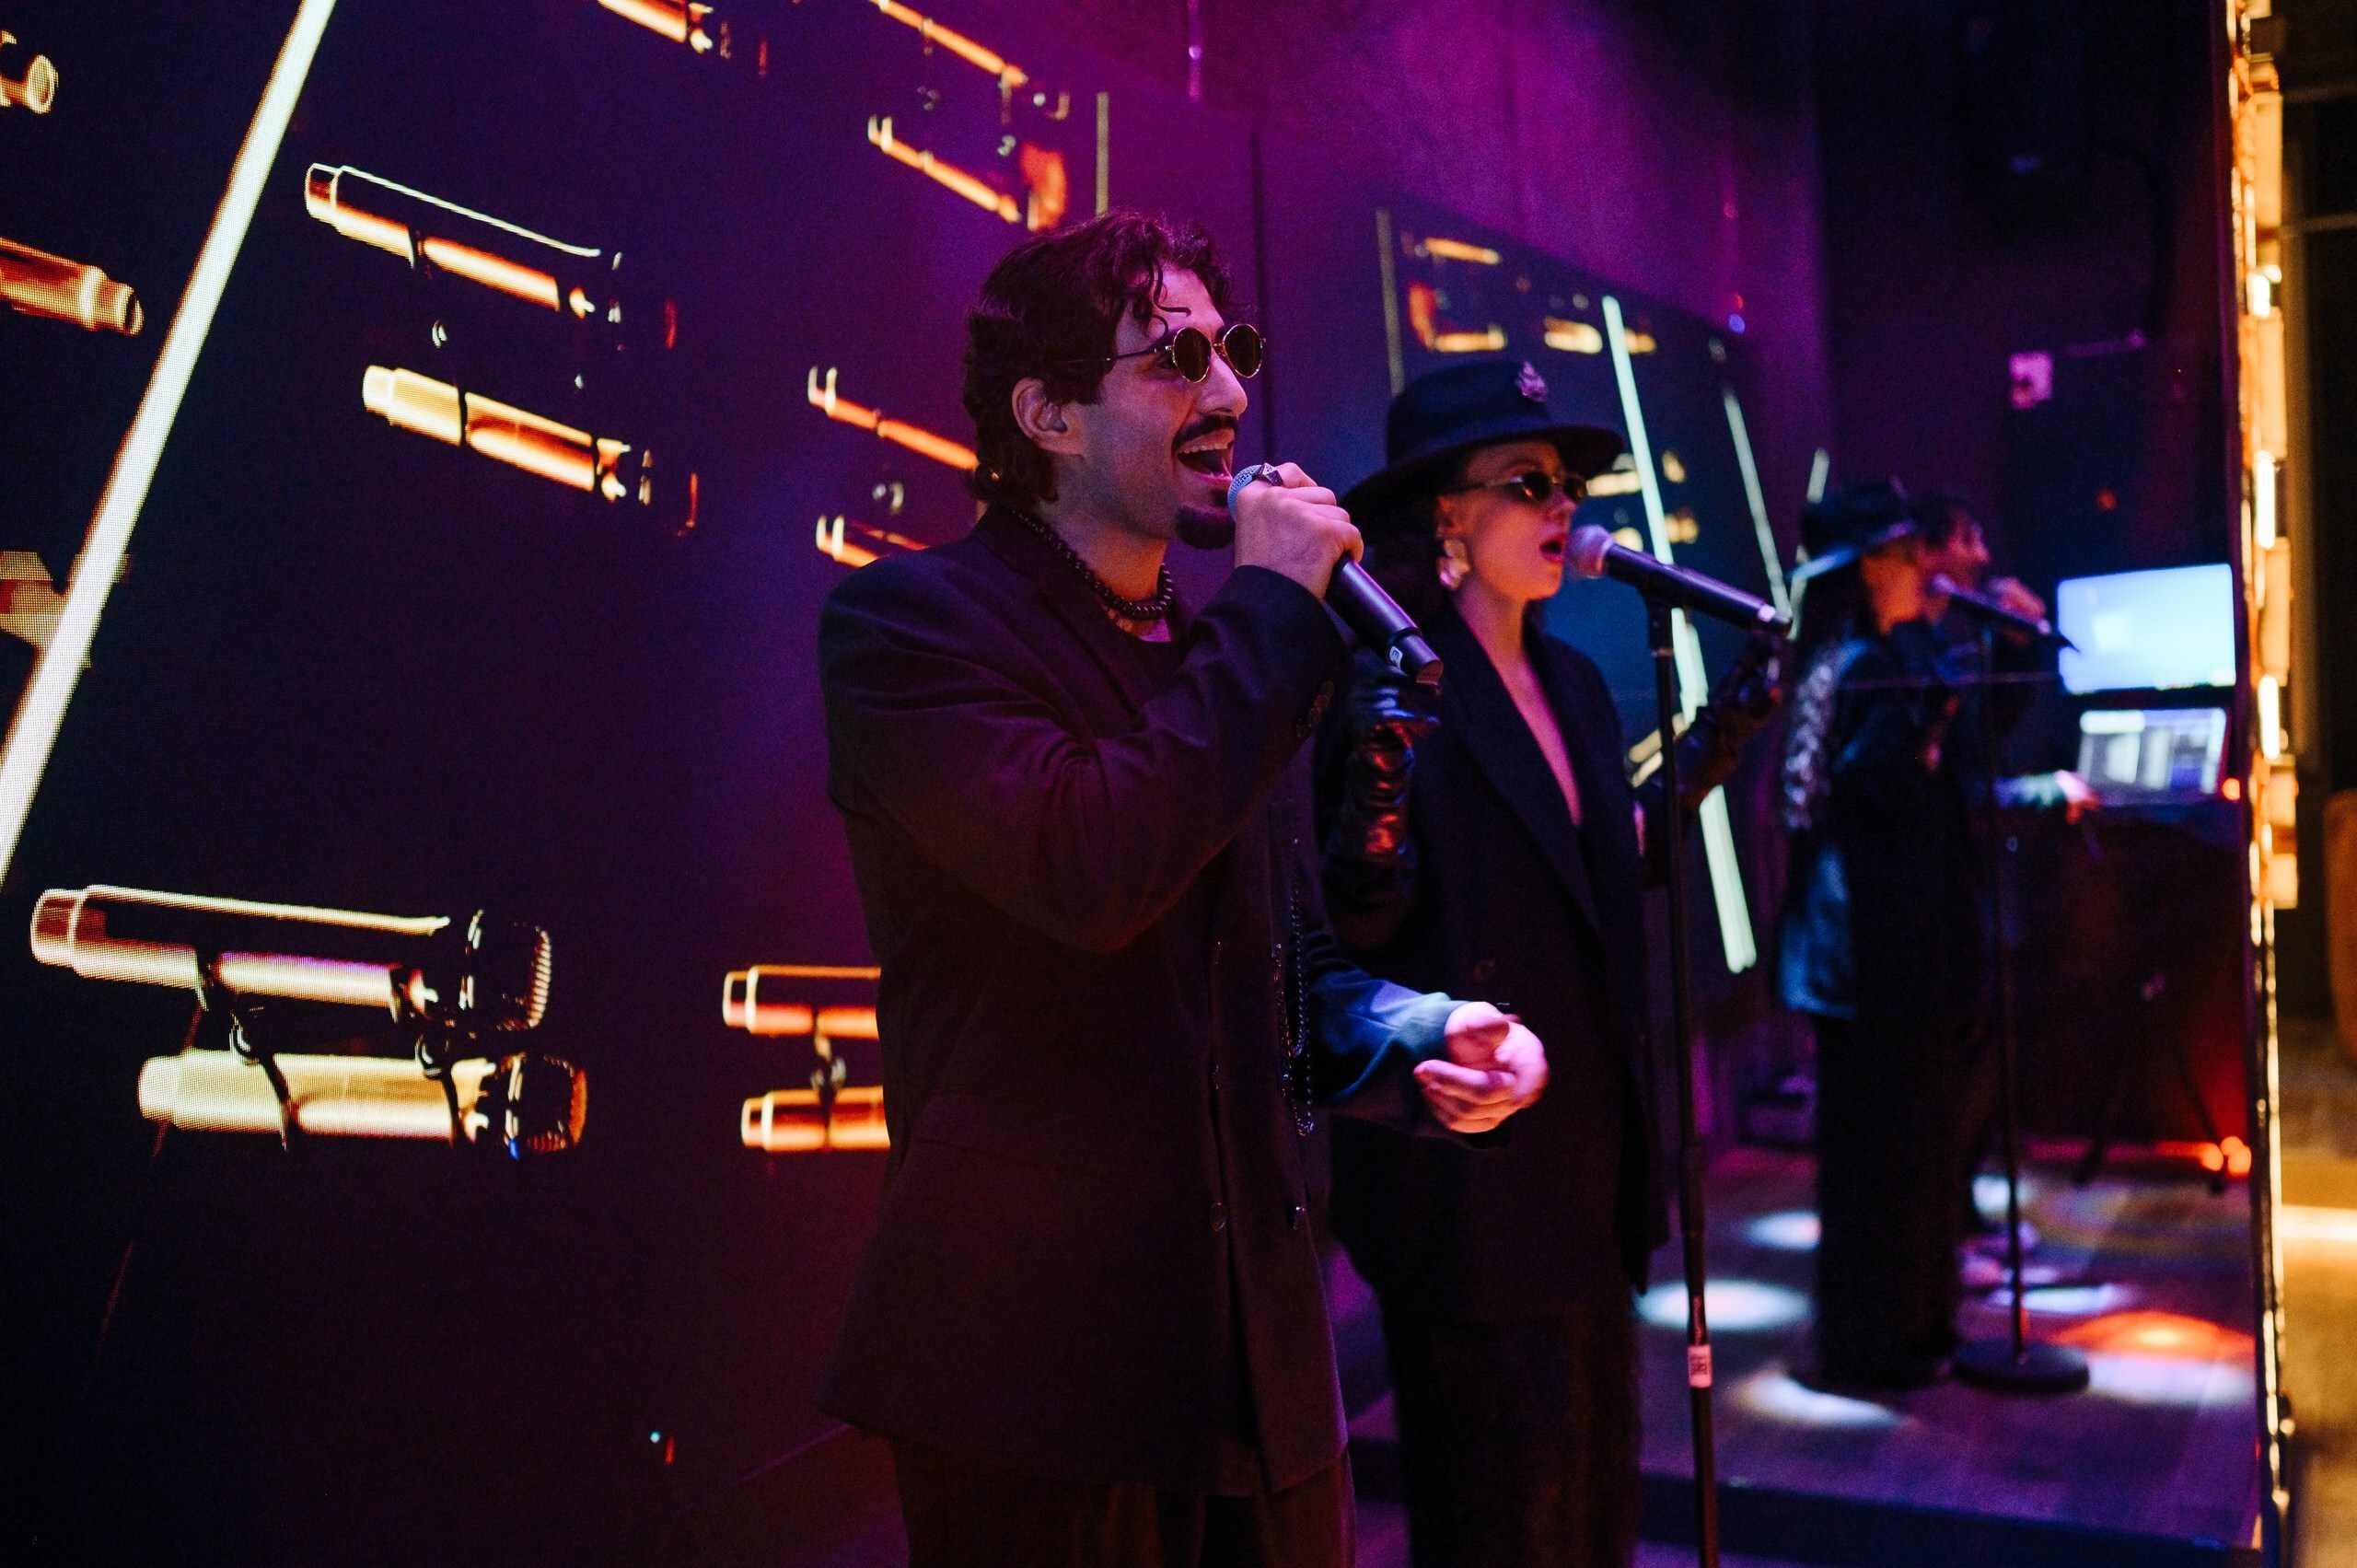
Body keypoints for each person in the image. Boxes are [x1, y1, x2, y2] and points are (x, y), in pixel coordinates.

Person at [813, 211, 1550, 1568]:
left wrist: (1421, 1031)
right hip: (1040, 1373)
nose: (1227, 395)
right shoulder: (912, 626)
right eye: (1173, 358)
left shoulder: (1217, 656)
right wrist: (1274, 610)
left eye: (1231, 352)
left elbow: (1280, 969)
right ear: (1046, 414)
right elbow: (1093, 867)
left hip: (1255, 1359)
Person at [1313, 359, 1785, 1568]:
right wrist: (1378, 757)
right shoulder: (1394, 679)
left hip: (1580, 1145)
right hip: (1467, 1160)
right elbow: (1360, 917)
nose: (1565, 506)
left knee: (1590, 1487)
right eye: (1528, 482)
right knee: (1498, 1502)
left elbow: (1611, 862)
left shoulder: (1571, 678)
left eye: (1568, 483)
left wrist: (1729, 723)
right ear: (1446, 515)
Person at [1778, 480, 1981, 1388]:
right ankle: (1875, 1343)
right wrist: (1925, 710)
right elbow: (1867, 796)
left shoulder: (1868, 660)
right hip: (1864, 961)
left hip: (1877, 956)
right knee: (1879, 1163)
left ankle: (1901, 1332)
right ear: (1866, 570)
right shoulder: (1866, 667)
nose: (1923, 566)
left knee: (1896, 1157)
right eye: (1904, 553)